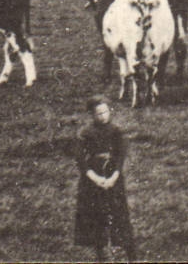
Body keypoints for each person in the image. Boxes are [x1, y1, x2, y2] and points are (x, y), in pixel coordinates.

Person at [74, 96, 136, 262]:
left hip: (112, 177)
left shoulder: (116, 131)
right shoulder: (86, 133)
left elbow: (120, 156)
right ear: (92, 115)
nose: (102, 116)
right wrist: (94, 178)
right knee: (96, 216)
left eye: (105, 112)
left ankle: (126, 251)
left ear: (110, 112)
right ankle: (103, 253)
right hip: (93, 180)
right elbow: (80, 159)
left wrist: (114, 177)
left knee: (119, 214)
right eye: (98, 113)